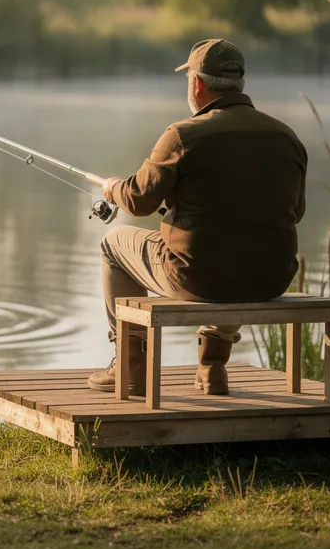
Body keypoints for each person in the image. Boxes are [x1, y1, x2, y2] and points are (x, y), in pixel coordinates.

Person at [88, 39, 307, 396]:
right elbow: (295, 212)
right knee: (237, 248)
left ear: (198, 85)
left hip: (195, 277)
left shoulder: (182, 135)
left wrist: (112, 188)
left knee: (113, 244)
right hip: (272, 277)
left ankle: (131, 365)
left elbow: (138, 200)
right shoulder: (287, 137)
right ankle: (213, 367)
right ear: (239, 84)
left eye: (189, 78)